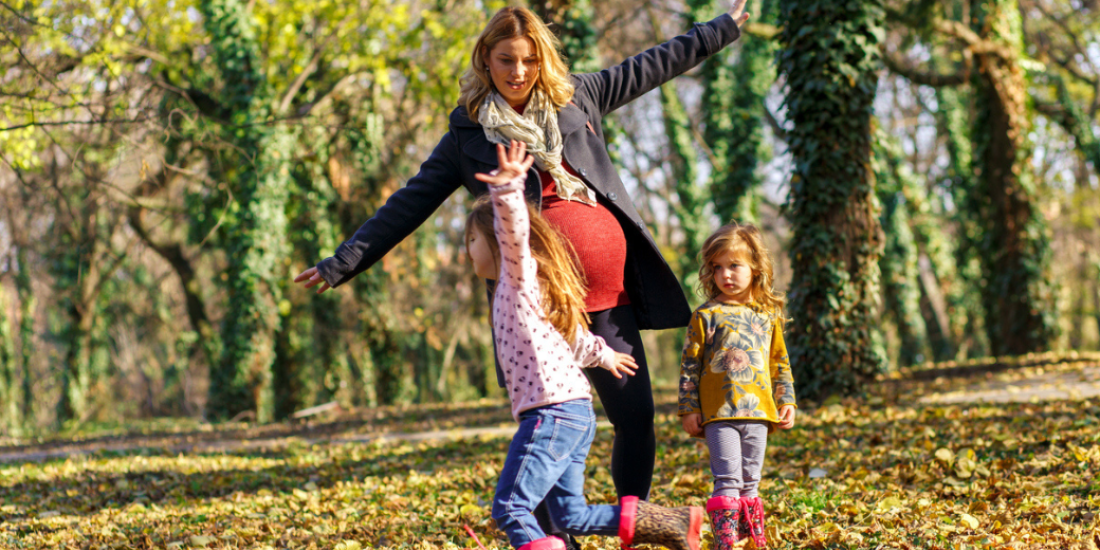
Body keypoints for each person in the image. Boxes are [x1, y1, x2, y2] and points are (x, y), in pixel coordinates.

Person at [294, 0, 750, 510]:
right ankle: (561, 533)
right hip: (541, 305)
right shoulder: (468, 135)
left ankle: (630, 521)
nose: (519, 71)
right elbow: (411, 202)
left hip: (609, 293)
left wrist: (719, 30)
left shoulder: (579, 96)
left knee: (636, 417)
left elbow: (651, 65)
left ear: (543, 60)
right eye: (507, 59)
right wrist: (342, 262)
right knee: (554, 422)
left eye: (530, 60)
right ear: (485, 58)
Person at [474, 140, 702, 550]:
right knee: (569, 516)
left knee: (510, 508)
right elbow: (570, 338)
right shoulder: (535, 295)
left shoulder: (518, 278)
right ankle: (673, 523)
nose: (466, 252)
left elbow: (513, 235)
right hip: (575, 413)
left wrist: (507, 192)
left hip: (551, 415)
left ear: (496, 243)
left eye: (471, 241)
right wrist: (605, 354)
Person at [676, 222, 797, 550]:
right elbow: (690, 367)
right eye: (717, 268)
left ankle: (749, 538)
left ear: (756, 268)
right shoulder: (706, 315)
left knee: (751, 481)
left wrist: (787, 400)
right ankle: (726, 542)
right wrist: (689, 409)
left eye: (734, 265)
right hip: (719, 414)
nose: (725, 275)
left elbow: (779, 362)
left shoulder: (766, 315)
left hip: (759, 413)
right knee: (728, 477)